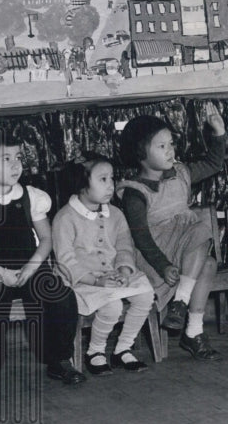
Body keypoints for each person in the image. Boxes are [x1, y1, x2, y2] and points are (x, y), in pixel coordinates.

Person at [0, 130, 85, 397]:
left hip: (29, 266)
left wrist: (32, 267)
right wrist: (1, 273)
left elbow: (46, 239)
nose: (16, 164)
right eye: (6, 158)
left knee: (59, 296)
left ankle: (58, 360)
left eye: (18, 157)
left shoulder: (31, 196)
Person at [116, 102, 226, 361]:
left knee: (208, 263)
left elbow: (213, 164)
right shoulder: (134, 192)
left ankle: (192, 328)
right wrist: (163, 265)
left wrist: (219, 133)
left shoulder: (181, 173)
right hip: (156, 256)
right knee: (200, 229)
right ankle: (182, 303)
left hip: (186, 250)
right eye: (161, 146)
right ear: (141, 153)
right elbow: (141, 237)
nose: (170, 151)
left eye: (171, 144)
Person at [53, 154, 153, 374]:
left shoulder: (115, 214)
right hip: (82, 281)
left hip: (112, 274)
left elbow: (125, 245)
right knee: (113, 305)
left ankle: (122, 348)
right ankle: (95, 351)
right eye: (103, 179)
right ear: (81, 184)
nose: (111, 185)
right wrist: (95, 280)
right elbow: (65, 259)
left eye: (112, 178)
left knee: (145, 296)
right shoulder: (65, 218)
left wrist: (124, 270)